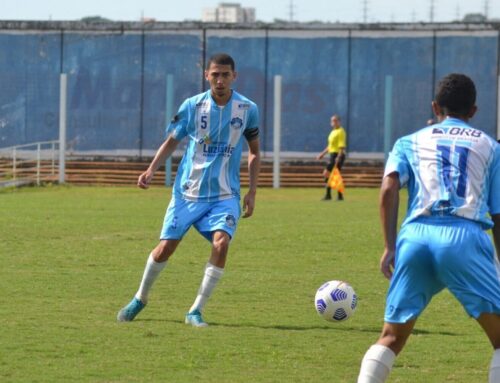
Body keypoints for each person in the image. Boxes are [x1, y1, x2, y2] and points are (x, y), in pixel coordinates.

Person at [357, 73, 500, 383]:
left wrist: (389, 245)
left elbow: (388, 188)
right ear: (474, 111)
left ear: (435, 107)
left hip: (416, 237)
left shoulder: (409, 141)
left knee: (391, 338)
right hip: (464, 237)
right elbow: (498, 212)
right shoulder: (490, 146)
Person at [117, 53, 261, 327]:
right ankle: (140, 298)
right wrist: (151, 170)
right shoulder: (193, 106)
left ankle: (195, 310)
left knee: (222, 243)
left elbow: (254, 151)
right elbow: (172, 141)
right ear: (206, 75)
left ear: (234, 77)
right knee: (165, 249)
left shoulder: (247, 109)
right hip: (187, 193)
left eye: (225, 75)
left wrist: (253, 191)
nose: (220, 80)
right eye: (215, 74)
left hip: (224, 194)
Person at [316, 114, 347, 201]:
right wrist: (322, 154)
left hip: (338, 155)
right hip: (332, 154)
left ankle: (329, 195)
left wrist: (338, 157)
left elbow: (342, 146)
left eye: (335, 120)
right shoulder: (332, 132)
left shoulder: (341, 131)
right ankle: (339, 196)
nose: (333, 122)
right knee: (335, 175)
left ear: (339, 122)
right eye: (332, 121)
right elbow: (330, 146)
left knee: (327, 173)